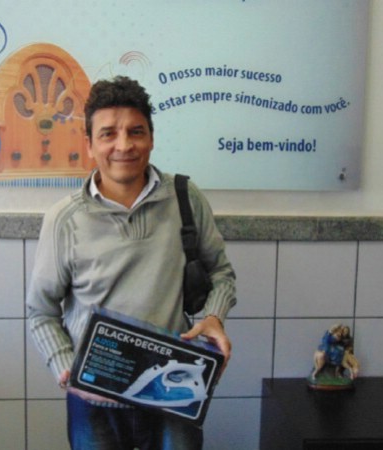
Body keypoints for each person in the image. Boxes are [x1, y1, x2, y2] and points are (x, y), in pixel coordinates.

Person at [26, 75, 237, 450]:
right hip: (94, 399)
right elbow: (41, 311)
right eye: (108, 134)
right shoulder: (64, 219)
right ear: (89, 144)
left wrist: (214, 316)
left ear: (151, 138)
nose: (123, 145)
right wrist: (66, 367)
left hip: (171, 391)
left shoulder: (186, 199)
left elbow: (221, 272)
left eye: (135, 132)